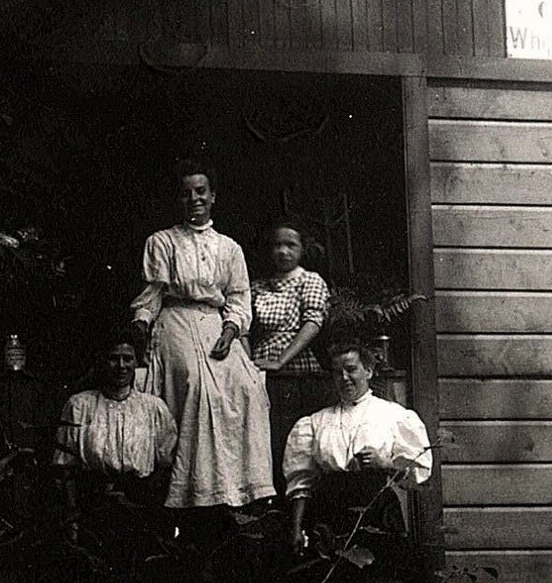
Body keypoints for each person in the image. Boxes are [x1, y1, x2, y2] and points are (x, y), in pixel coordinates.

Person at [130, 161, 277, 510]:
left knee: (248, 388)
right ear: (179, 200)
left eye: (201, 192)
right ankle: (192, 491)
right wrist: (141, 321)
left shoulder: (229, 248)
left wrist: (230, 331)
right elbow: (152, 295)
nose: (195, 199)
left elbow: (239, 299)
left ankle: (238, 490)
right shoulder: (162, 241)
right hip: (176, 320)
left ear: (213, 197)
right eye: (187, 194)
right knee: (197, 386)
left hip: (216, 322)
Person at [282, 340, 432, 553]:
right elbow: (302, 484)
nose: (344, 378)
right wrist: (296, 529)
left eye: (351, 369)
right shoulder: (315, 422)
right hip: (329, 510)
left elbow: (419, 473)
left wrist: (385, 462)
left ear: (368, 371)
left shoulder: (393, 415)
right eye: (337, 372)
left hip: (375, 508)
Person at [52, 327, 178, 506]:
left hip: (140, 509)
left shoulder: (153, 408)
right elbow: (65, 468)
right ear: (102, 361)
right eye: (113, 358)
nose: (121, 366)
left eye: (127, 359)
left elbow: (167, 465)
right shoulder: (80, 406)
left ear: (136, 362)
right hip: (94, 508)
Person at [249, 220, 331, 375]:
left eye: (291, 245)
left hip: (295, 361)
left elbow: (312, 324)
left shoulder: (309, 280)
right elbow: (245, 327)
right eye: (277, 245)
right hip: (261, 360)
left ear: (302, 249)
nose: (283, 251)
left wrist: (280, 361)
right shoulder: (258, 287)